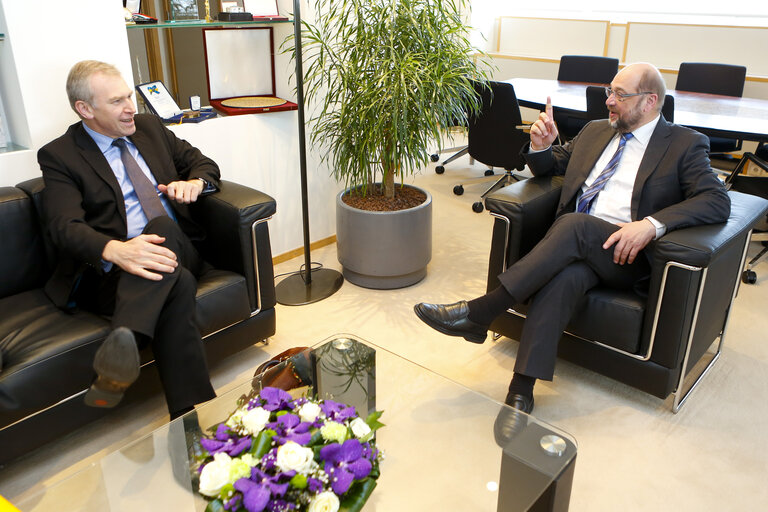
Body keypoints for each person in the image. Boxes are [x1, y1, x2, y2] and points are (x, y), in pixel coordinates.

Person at [415, 62, 731, 417]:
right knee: (567, 275)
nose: (609, 101)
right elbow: (551, 167)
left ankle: (481, 311)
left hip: (626, 256)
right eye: (609, 92)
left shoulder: (684, 145)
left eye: (620, 95)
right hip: (575, 247)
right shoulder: (596, 130)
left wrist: (651, 225)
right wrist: (541, 146)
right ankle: (522, 387)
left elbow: (717, 201)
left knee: (575, 225)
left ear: (649, 101)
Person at [38, 60, 220, 419]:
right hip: (116, 273)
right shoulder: (60, 156)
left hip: (181, 248)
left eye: (129, 97)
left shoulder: (150, 128)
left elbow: (204, 163)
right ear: (85, 109)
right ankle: (186, 420)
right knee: (176, 282)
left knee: (163, 228)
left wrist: (194, 183)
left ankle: (127, 341)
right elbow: (63, 225)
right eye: (117, 102)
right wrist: (115, 249)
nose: (130, 108)